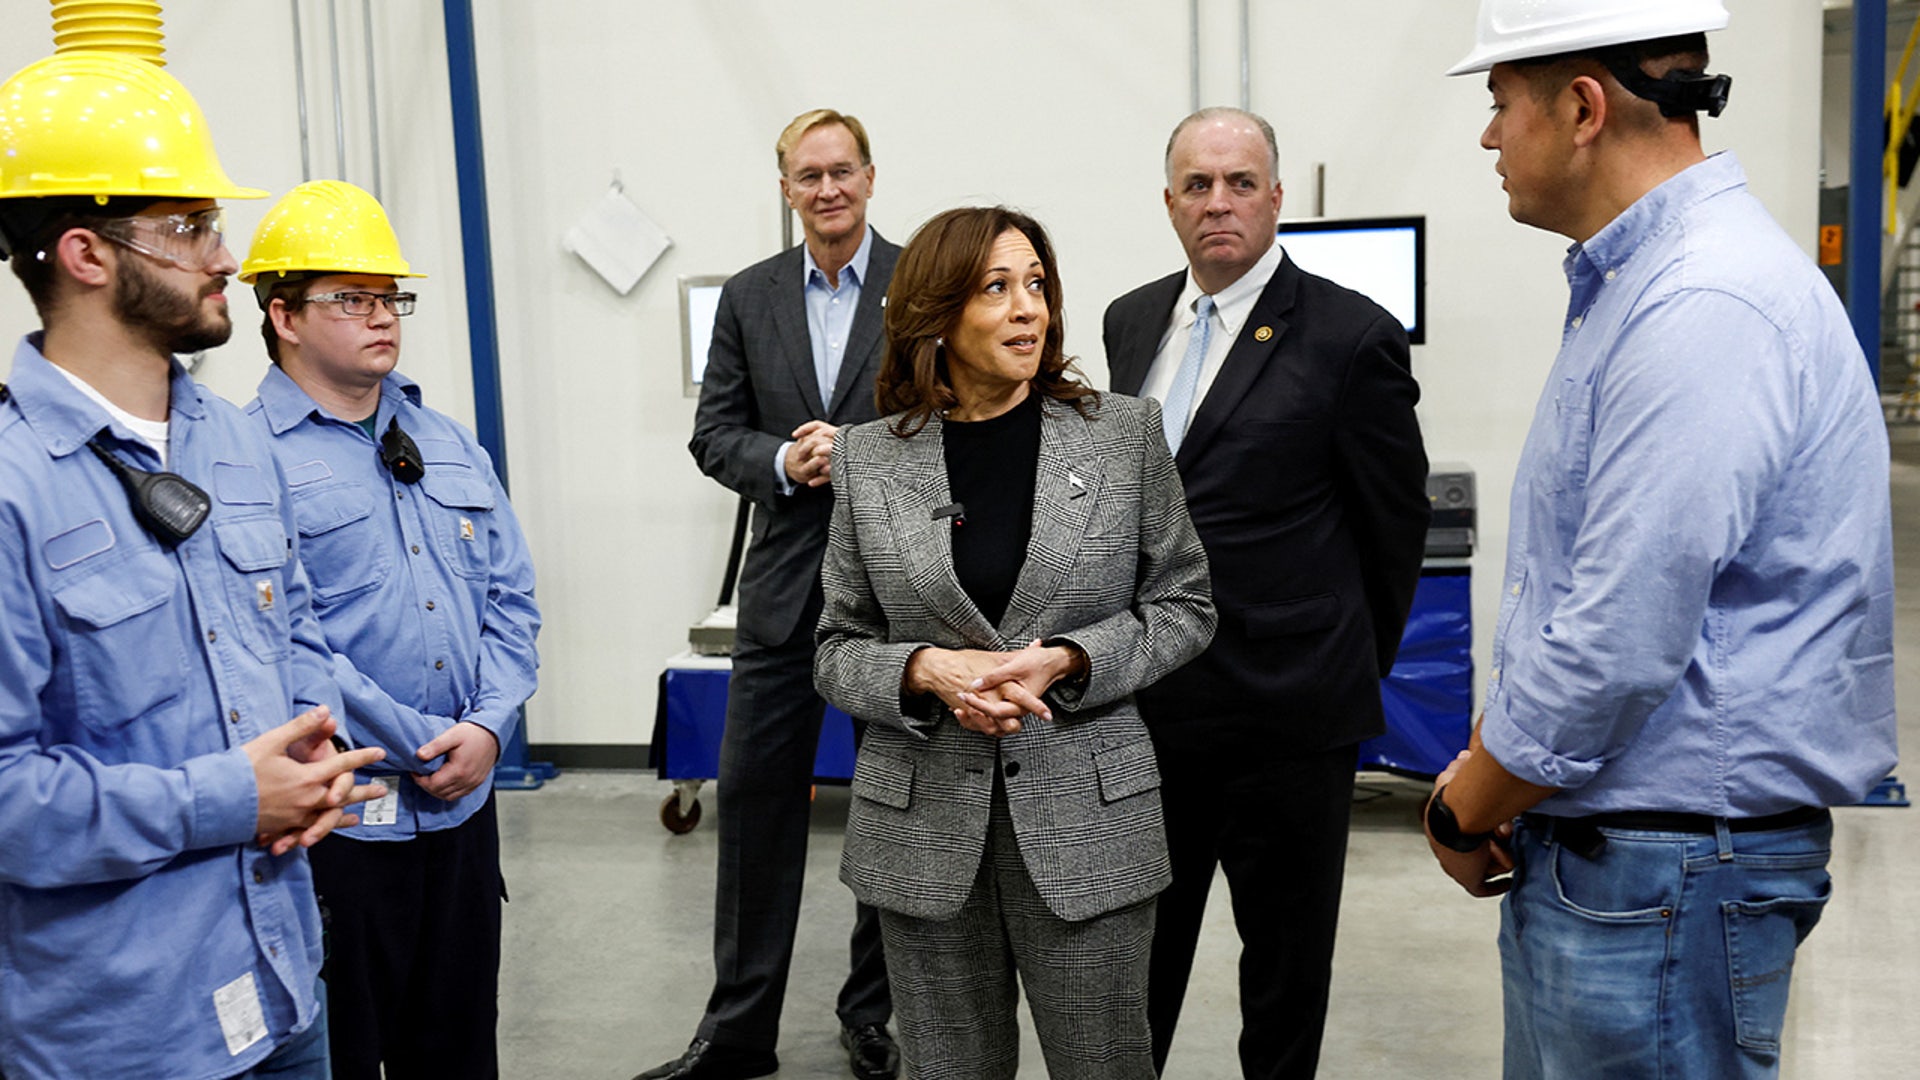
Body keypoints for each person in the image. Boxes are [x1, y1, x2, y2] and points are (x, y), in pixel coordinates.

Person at [1426, 3, 1901, 1076]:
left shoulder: (1701, 300)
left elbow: (1620, 635)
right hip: (1639, 862)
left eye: (1501, 105)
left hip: (1666, 873)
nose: (1490, 137)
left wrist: (1470, 805)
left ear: (1583, 107)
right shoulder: (1644, 284)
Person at [0, 51, 387, 1079]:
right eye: (191, 227)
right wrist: (228, 799)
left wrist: (308, 756)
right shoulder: (13, 489)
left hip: (283, 980)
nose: (225, 254)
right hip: (128, 1030)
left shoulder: (235, 440)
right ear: (85, 253)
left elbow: (294, 626)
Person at [814, 205, 1216, 1080]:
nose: (1028, 308)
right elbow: (837, 644)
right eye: (997, 288)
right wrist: (923, 669)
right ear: (938, 312)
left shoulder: (1122, 436)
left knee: (1106, 1064)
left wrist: (1072, 659)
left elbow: (1186, 604)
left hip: (1090, 819)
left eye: (1036, 285)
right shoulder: (868, 459)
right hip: (921, 829)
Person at [1103, 107, 1431, 1079]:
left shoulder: (1348, 336)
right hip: (1150, 720)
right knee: (1133, 971)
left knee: (1284, 981)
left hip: (1290, 728)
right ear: (1169, 203)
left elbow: (1393, 531)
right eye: (1197, 186)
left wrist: (1338, 673)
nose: (1219, 204)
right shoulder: (1131, 321)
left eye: (1240, 184)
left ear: (1277, 198)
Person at [238, 179, 542, 1079]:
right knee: (346, 1051)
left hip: (464, 808)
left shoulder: (447, 441)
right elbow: (286, 642)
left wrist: (488, 728)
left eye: (391, 299)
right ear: (283, 314)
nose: (383, 318)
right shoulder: (244, 458)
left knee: (456, 1047)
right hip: (338, 824)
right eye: (353, 299)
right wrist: (416, 745)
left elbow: (512, 600)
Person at [645, 108, 898, 1080]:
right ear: (786, 187)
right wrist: (786, 457)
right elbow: (715, 434)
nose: (827, 190)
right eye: (808, 175)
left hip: (897, 599)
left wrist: (863, 453)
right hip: (787, 592)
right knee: (753, 807)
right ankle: (738, 1030)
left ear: (869, 177)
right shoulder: (749, 298)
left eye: (842, 171)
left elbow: (960, 418)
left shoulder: (919, 283)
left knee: (893, 809)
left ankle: (873, 1013)